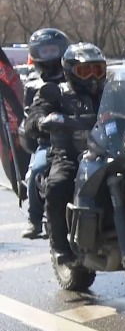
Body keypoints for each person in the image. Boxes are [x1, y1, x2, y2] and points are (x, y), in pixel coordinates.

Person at [25, 42, 106, 266]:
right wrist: (41, 120)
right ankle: (59, 245)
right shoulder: (57, 93)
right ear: (70, 72)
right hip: (69, 154)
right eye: (84, 71)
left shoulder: (110, 90)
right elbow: (34, 116)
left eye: (97, 70)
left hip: (108, 153)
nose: (92, 77)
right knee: (58, 184)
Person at [18, 28, 70, 240]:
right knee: (37, 169)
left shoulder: (73, 77)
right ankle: (34, 218)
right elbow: (30, 114)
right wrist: (41, 122)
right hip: (48, 141)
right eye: (45, 50)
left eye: (53, 50)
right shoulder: (33, 85)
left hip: (76, 138)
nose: (49, 55)